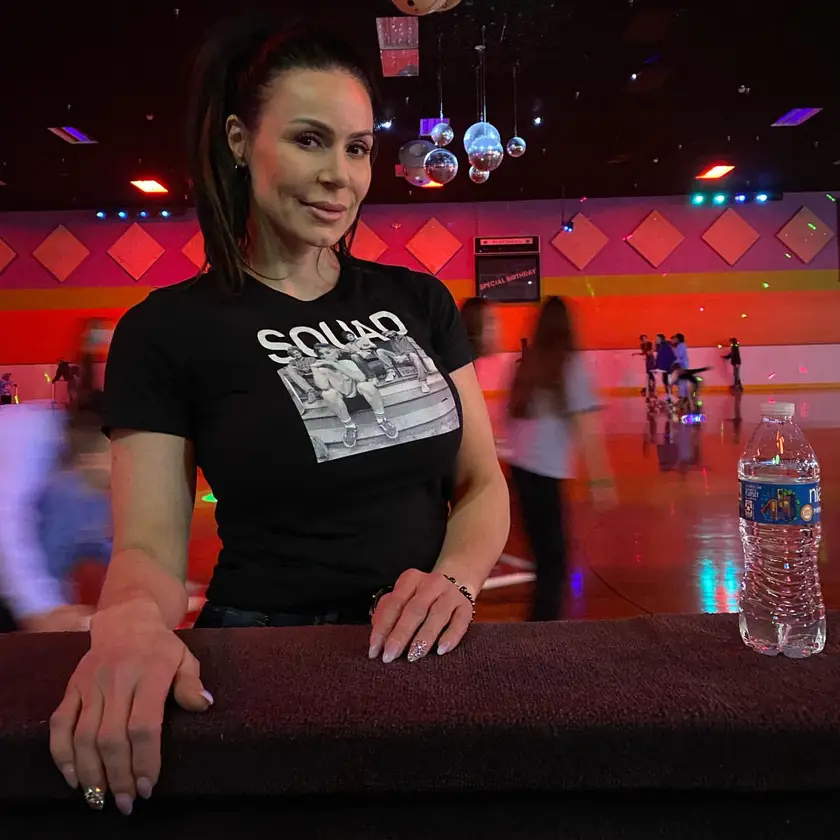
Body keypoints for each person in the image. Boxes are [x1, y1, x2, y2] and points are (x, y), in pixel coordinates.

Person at [49, 17, 509, 816]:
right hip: (265, 652)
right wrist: (126, 624)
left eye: (358, 148)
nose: (340, 176)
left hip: (424, 648)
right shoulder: (166, 331)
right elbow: (149, 549)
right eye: (309, 140)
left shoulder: (419, 301)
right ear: (239, 141)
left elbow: (480, 484)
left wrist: (455, 582)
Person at [506, 297, 614, 621]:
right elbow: (587, 428)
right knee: (554, 565)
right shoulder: (570, 364)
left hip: (521, 470)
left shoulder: (527, 364)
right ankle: (541, 634)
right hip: (545, 473)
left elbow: (510, 420)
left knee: (545, 560)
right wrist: (601, 480)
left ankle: (538, 626)